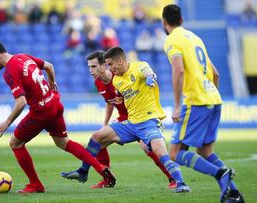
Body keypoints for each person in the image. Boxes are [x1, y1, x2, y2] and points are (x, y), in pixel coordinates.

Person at [0, 40, 116, 193]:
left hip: (41, 111)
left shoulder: (10, 71)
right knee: (64, 142)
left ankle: (35, 184)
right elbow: (49, 66)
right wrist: (52, 83)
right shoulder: (23, 57)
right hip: (54, 102)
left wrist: (7, 122)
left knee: (15, 143)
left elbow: (21, 102)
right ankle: (100, 168)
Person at [62, 47, 190, 192]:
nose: (91, 70)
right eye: (89, 67)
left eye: (94, 66)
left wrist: (150, 78)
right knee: (98, 137)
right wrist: (106, 123)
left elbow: (146, 72)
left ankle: (177, 180)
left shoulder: (133, 69)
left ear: (111, 64)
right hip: (128, 120)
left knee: (152, 149)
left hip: (145, 119)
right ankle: (92, 174)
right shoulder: (113, 81)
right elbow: (111, 101)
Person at [162, 4, 244, 203]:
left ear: (164, 23)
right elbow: (215, 73)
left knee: (174, 153)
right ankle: (232, 194)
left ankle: (220, 174)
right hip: (214, 99)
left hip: (196, 101)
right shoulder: (195, 38)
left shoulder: (172, 40)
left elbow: (179, 70)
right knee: (205, 151)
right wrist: (211, 94)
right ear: (181, 20)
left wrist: (175, 105)